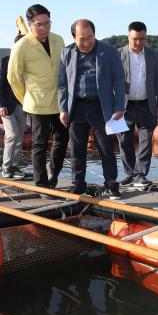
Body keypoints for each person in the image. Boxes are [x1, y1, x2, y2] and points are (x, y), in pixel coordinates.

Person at [58, 19, 125, 199]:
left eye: (90, 38)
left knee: (106, 149)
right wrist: (63, 108)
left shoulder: (109, 51)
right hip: (76, 107)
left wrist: (119, 106)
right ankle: (77, 185)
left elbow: (119, 80)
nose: (86, 43)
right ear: (73, 37)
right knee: (76, 150)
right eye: (82, 39)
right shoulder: (66, 53)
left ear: (95, 35)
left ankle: (111, 185)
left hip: (101, 107)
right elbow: (62, 84)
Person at [7, 4, 68, 189]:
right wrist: (24, 98)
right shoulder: (22, 46)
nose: (44, 28)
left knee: (62, 139)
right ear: (29, 24)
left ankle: (53, 171)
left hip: (59, 100)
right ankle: (41, 184)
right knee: (39, 144)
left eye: (47, 23)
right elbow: (13, 77)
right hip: (36, 102)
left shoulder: (59, 40)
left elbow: (65, 69)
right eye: (39, 24)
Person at [117, 21, 158, 188]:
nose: (138, 42)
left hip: (146, 104)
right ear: (128, 36)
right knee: (124, 141)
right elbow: (109, 81)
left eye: (142, 39)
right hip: (124, 106)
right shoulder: (118, 54)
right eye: (135, 39)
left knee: (146, 141)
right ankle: (130, 174)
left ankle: (140, 175)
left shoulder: (152, 55)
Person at [0, 33, 29, 179]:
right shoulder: (4, 61)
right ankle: (6, 168)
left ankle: (14, 166)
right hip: (6, 105)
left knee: (20, 135)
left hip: (22, 104)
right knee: (12, 135)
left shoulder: (28, 63)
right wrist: (0, 105)